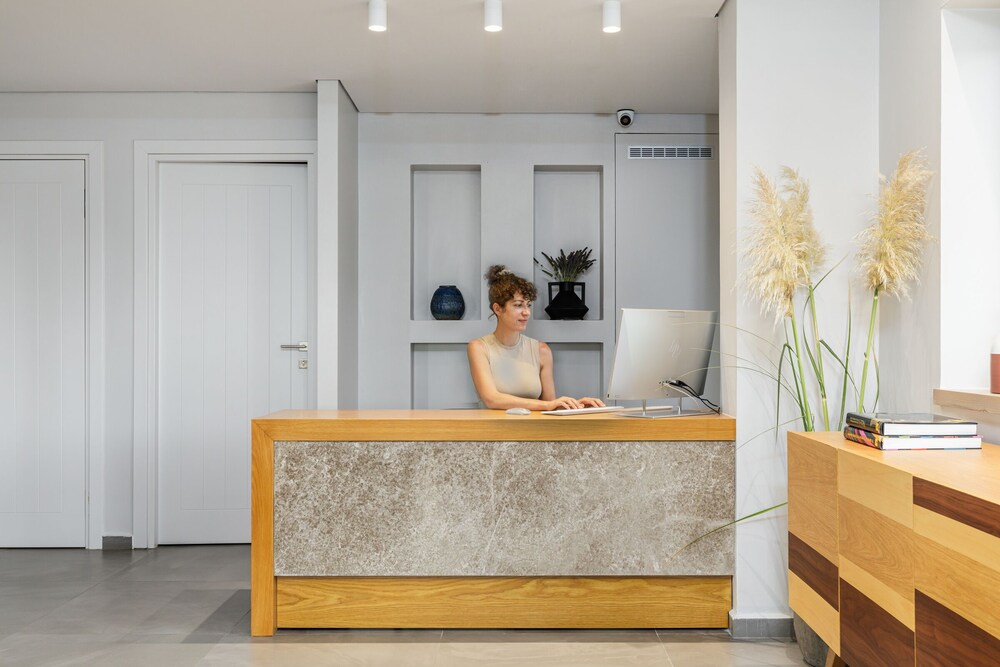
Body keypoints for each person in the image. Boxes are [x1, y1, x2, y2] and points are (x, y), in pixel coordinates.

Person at [467, 265, 606, 411]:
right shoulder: (479, 347)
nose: (526, 312)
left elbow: (550, 406)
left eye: (528, 305)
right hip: (492, 426)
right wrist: (547, 405)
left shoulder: (541, 350)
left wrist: (578, 405)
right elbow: (491, 399)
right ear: (497, 309)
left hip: (532, 426)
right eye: (518, 305)